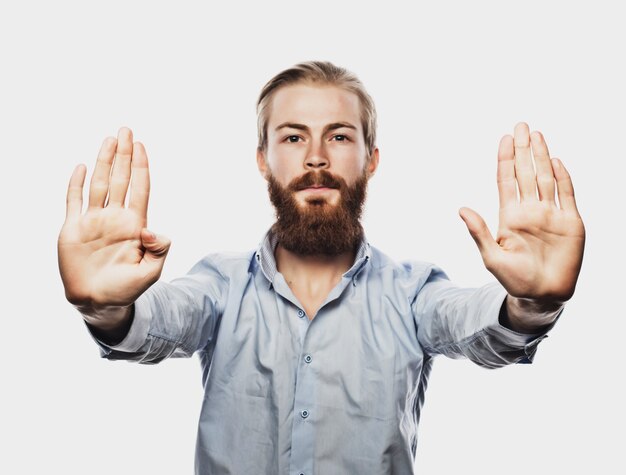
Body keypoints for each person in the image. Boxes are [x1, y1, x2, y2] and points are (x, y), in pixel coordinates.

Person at [58, 61, 585, 474]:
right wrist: (106, 308)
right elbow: (154, 325)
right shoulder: (218, 286)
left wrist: (533, 305)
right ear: (263, 159)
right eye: (292, 137)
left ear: (370, 159)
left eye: (338, 136)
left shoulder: (412, 292)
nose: (315, 157)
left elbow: (483, 330)